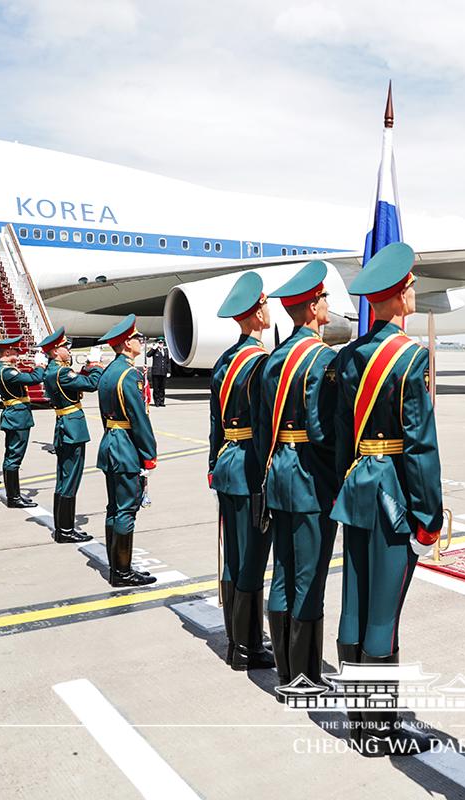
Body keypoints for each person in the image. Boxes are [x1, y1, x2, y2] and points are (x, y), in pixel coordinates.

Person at [331, 242, 444, 755]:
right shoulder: (411, 356)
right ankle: (379, 729)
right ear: (400, 296)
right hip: (392, 492)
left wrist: (344, 485)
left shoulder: (350, 356)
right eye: (411, 287)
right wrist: (430, 516)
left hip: (355, 486)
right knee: (384, 611)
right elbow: (420, 445)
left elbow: (337, 435)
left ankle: (358, 719)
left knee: (354, 598)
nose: (414, 292)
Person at [257, 261, 339, 691]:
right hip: (309, 478)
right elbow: (325, 431)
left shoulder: (273, 359)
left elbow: (260, 425)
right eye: (324, 299)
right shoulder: (322, 359)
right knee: (309, 577)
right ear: (311, 308)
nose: (328, 305)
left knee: (283, 571)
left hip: (278, 473)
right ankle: (304, 676)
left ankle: (286, 670)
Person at [210, 273, 275, 670]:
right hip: (250, 465)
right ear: (255, 314)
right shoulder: (260, 363)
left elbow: (215, 423)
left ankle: (235, 639)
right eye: (265, 304)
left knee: (233, 557)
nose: (269, 309)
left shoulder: (224, 361)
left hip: (226, 463)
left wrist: (212, 465)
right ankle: (249, 647)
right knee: (252, 559)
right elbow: (266, 425)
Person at [96, 314, 158, 587]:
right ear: (125, 344)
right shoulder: (128, 375)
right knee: (125, 511)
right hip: (125, 447)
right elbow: (139, 419)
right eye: (136, 338)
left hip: (111, 440)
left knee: (114, 508)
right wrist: (149, 453)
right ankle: (122, 572)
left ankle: (117, 566)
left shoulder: (109, 372)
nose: (139, 341)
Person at [39, 327, 103, 543]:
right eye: (64, 346)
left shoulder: (53, 371)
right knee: (70, 480)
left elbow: (76, 382)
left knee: (63, 478)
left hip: (64, 425)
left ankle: (62, 528)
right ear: (56, 351)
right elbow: (93, 385)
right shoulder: (62, 372)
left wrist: (84, 369)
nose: (68, 349)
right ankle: (65, 530)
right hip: (72, 428)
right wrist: (94, 366)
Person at [0, 336, 46, 508]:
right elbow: (34, 379)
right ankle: (13, 498)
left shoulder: (2, 369)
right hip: (17, 417)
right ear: (7, 352)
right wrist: (39, 366)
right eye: (15, 351)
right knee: (14, 458)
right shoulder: (7, 371)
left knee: (12, 456)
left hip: (14, 415)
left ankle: (14, 494)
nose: (18, 354)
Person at [147, 339, 170, 407]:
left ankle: (162, 401)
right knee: (156, 388)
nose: (160, 344)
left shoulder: (165, 351)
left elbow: (168, 362)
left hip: (163, 372)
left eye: (161, 343)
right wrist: (153, 348)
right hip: (156, 372)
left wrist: (168, 371)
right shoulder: (155, 351)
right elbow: (148, 355)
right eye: (159, 343)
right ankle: (156, 402)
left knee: (162, 388)